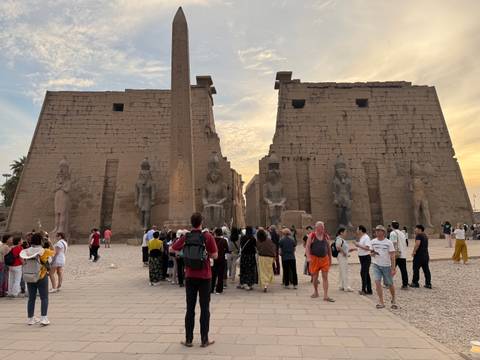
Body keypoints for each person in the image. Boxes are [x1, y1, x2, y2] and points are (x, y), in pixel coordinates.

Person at [171, 212, 218, 348]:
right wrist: (205, 254)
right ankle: (204, 340)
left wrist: (184, 253)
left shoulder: (186, 236)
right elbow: (215, 255)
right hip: (205, 277)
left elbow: (172, 249)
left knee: (190, 309)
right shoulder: (207, 236)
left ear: (191, 223)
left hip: (190, 276)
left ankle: (189, 339)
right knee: (205, 309)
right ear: (201, 222)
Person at [20, 233, 55, 325]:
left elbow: (22, 260)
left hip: (29, 275)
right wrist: (50, 243)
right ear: (41, 241)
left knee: (31, 298)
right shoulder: (44, 251)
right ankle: (44, 318)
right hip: (41, 275)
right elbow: (53, 252)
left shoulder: (26, 251)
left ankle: (30, 319)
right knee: (44, 298)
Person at [370, 225, 397, 309]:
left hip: (386, 265)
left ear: (383, 232)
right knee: (377, 282)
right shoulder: (373, 241)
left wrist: (393, 268)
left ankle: (393, 299)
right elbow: (371, 253)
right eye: (376, 231)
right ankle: (381, 301)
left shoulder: (388, 242)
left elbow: (392, 256)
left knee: (389, 284)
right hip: (376, 264)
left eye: (379, 230)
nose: (377, 232)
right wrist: (372, 254)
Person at [305, 221, 334, 302]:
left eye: (323, 227)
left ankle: (325, 295)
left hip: (324, 259)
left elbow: (329, 249)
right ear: (317, 228)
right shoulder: (312, 235)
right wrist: (308, 257)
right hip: (314, 259)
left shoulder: (326, 236)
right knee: (315, 278)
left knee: (325, 277)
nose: (323, 229)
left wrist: (330, 259)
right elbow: (307, 247)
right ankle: (316, 292)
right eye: (321, 227)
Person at [410, 224, 432, 289]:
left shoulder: (419, 235)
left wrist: (414, 252)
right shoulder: (425, 235)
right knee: (426, 270)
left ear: (419, 229)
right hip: (425, 255)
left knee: (416, 269)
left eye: (416, 228)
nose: (415, 229)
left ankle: (415, 283)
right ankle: (428, 284)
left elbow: (417, 244)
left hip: (419, 256)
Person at [335, 227, 356, 292]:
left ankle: (341, 285)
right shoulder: (339, 239)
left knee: (342, 271)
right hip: (342, 256)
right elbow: (338, 247)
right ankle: (346, 287)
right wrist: (344, 253)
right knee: (345, 271)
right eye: (345, 232)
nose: (346, 233)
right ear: (341, 232)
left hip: (342, 256)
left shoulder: (341, 239)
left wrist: (350, 250)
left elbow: (343, 248)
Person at [389, 221, 409, 289]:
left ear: (392, 226)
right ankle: (405, 284)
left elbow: (393, 244)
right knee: (404, 270)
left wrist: (390, 253)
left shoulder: (393, 233)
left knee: (391, 269)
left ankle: (388, 283)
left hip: (396, 255)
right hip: (402, 254)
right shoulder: (402, 233)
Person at [256, 228, 276, 293]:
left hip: (262, 257)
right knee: (268, 270)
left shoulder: (258, 241)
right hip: (269, 258)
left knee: (262, 271)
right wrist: (274, 256)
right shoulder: (269, 240)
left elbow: (258, 249)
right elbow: (273, 248)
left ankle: (264, 285)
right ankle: (267, 283)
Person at [238, 226, 257, 291]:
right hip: (251, 256)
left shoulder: (242, 238)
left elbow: (240, 246)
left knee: (243, 269)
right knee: (250, 269)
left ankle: (243, 283)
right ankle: (250, 283)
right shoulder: (253, 238)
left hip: (244, 256)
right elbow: (255, 246)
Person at [354, 225, 372, 295]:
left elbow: (367, 248)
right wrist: (355, 248)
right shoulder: (362, 237)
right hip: (362, 257)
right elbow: (362, 247)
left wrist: (358, 245)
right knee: (366, 273)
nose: (356, 231)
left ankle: (363, 290)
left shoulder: (366, 237)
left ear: (361, 230)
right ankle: (369, 290)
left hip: (366, 257)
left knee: (363, 273)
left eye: (357, 229)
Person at [211, 228, 228, 294]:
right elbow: (227, 250)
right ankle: (219, 290)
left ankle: (211, 289)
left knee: (213, 274)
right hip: (222, 259)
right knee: (220, 275)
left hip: (214, 259)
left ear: (215, 233)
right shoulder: (224, 241)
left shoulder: (213, 240)